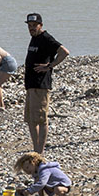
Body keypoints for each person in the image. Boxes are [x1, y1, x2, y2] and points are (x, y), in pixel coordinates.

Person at [23, 13, 70, 154]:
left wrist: (49, 66)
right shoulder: (34, 38)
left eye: (34, 26)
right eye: (29, 26)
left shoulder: (46, 38)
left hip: (41, 84)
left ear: (40, 25)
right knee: (31, 119)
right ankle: (35, 148)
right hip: (31, 84)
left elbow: (64, 52)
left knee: (41, 119)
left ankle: (40, 151)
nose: (31, 28)